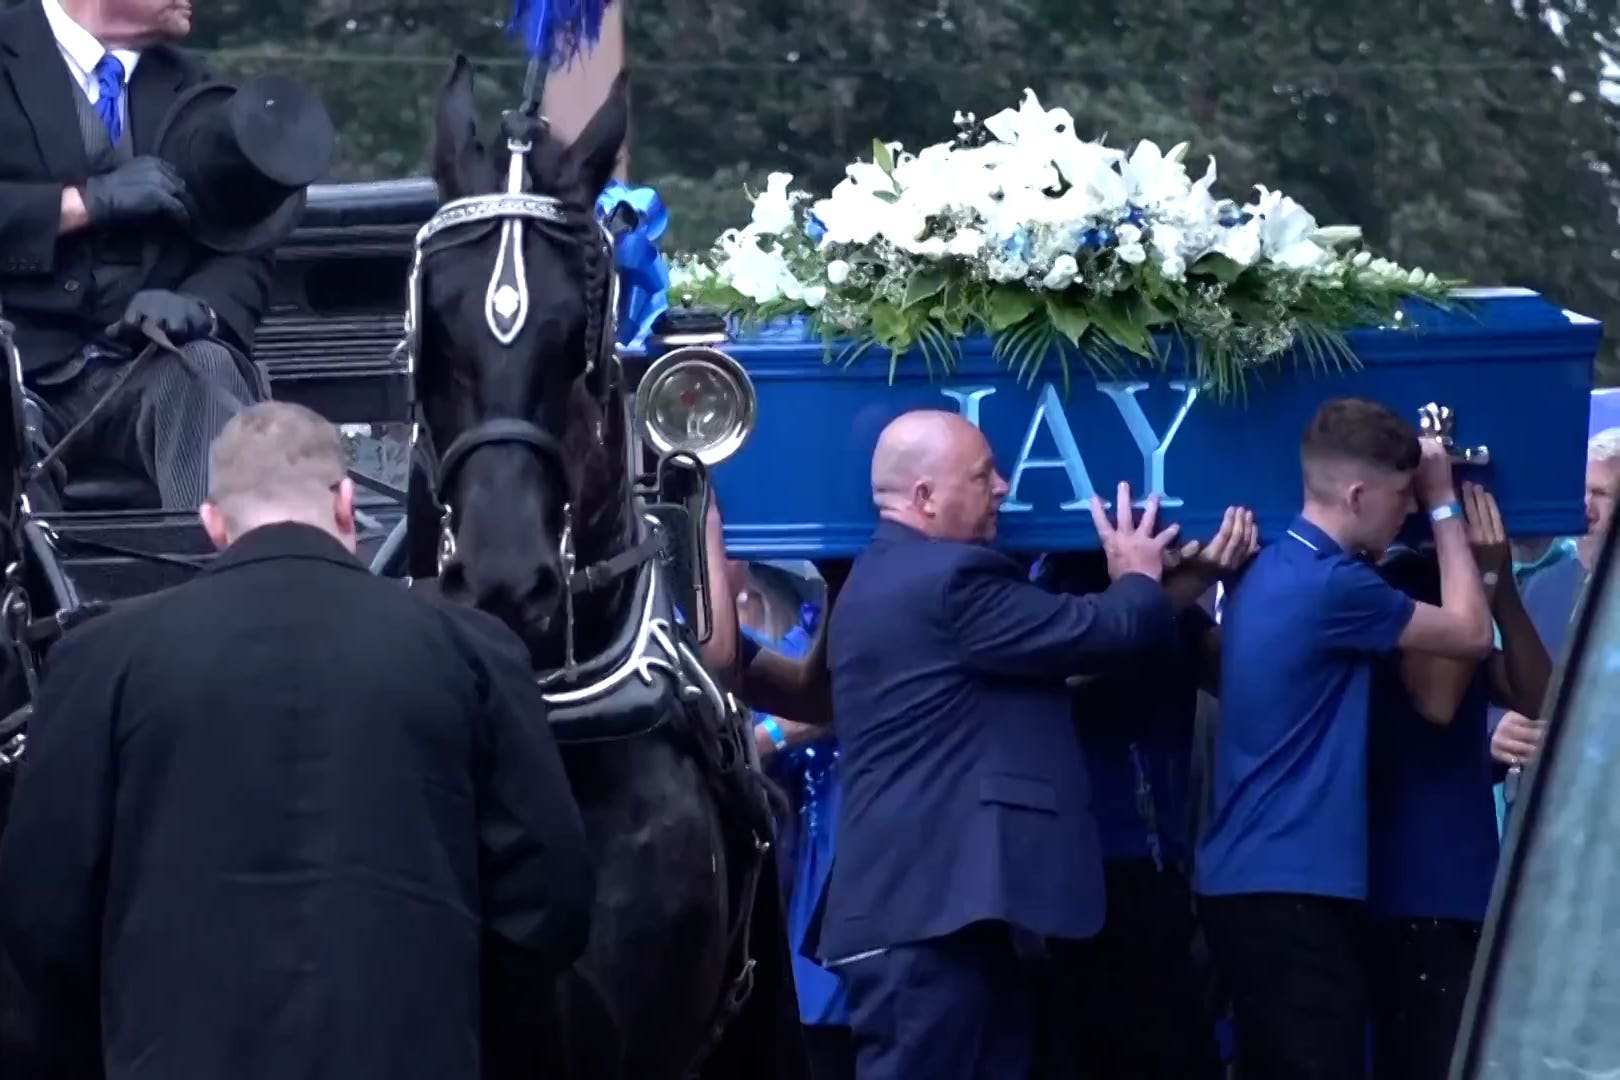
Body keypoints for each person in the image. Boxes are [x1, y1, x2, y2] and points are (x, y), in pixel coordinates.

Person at [0, 402, 594, 1080]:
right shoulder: (475, 650)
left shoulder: (99, 660)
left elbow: (40, 915)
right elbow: (553, 898)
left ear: (213, 523)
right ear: (346, 505)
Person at [819, 408, 1247, 1080]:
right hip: (931, 921)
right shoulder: (950, 581)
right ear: (924, 497)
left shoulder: (891, 578)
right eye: (982, 474)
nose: (1004, 487)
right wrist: (1136, 572)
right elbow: (1093, 633)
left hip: (950, 918)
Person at [1197, 397, 1493, 1080]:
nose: (1408, 512)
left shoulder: (1267, 572)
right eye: (1401, 498)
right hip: (1293, 884)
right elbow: (1471, 634)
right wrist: (1447, 504)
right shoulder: (1334, 587)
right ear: (1358, 495)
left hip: (1251, 877)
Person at [0, 0, 287, 509]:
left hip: (145, 365)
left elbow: (248, 243)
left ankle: (218, 580)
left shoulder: (201, 91)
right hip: (16, 365)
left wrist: (202, 307)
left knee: (206, 369)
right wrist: (83, 203)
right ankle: (28, 589)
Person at [1366, 482, 1551, 1080]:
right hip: (1413, 889)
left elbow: (1538, 693)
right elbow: (1439, 699)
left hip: (1469, 888)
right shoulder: (1390, 585)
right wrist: (1481, 577)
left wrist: (1502, 589)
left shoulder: (1452, 581)